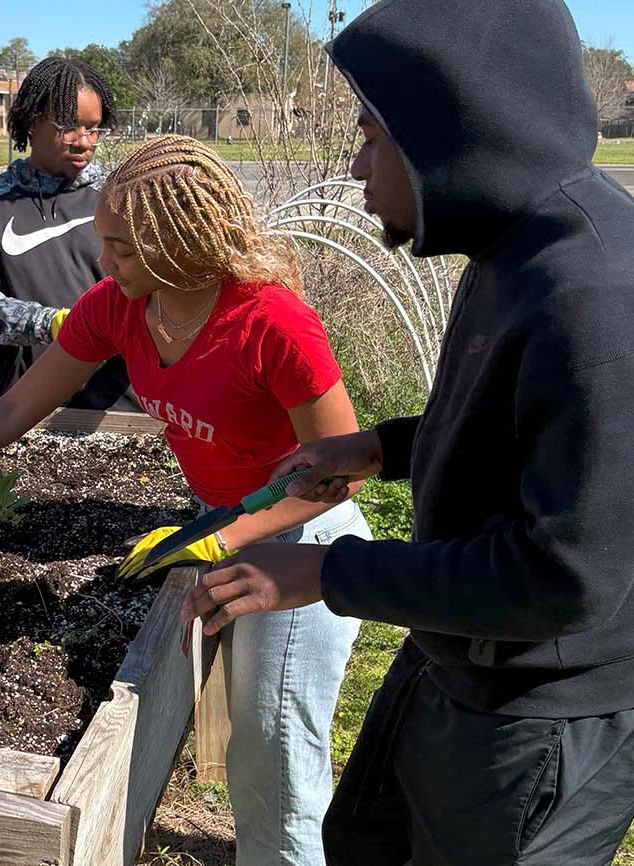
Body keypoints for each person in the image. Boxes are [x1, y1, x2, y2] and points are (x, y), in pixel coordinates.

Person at [0, 135, 372, 866]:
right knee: (254, 746)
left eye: (118, 247)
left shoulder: (270, 322)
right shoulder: (122, 306)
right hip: (226, 529)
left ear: (178, 244)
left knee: (276, 754)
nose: (104, 262)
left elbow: (340, 473)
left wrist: (224, 540)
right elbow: (17, 406)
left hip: (303, 543)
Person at [185, 1, 634, 864]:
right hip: (460, 659)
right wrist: (384, 447)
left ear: (452, 130)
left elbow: (563, 577)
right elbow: (518, 427)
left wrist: (325, 570)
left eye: (371, 139)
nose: (356, 168)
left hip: (536, 716)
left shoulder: (595, 298)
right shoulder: (512, 248)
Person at [0, 55, 133, 410]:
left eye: (93, 128)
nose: (84, 141)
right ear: (32, 122)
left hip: (118, 409)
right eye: (68, 127)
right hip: (18, 409)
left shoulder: (120, 194)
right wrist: (55, 324)